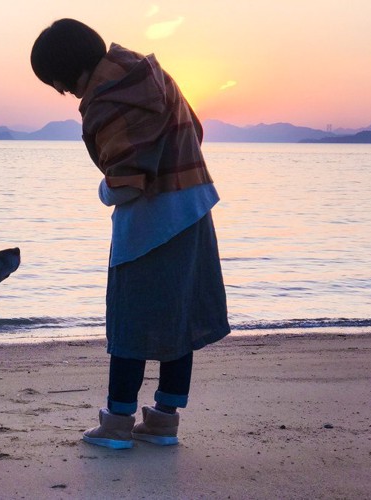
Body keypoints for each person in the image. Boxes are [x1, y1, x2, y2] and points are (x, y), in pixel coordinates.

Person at [30, 19, 230, 449]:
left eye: (58, 83)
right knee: (179, 316)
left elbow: (125, 184)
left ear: (66, 73)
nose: (65, 92)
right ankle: (163, 421)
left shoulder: (106, 102)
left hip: (149, 223)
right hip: (193, 207)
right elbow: (195, 129)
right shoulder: (152, 72)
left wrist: (102, 190)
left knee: (130, 321)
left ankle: (117, 422)